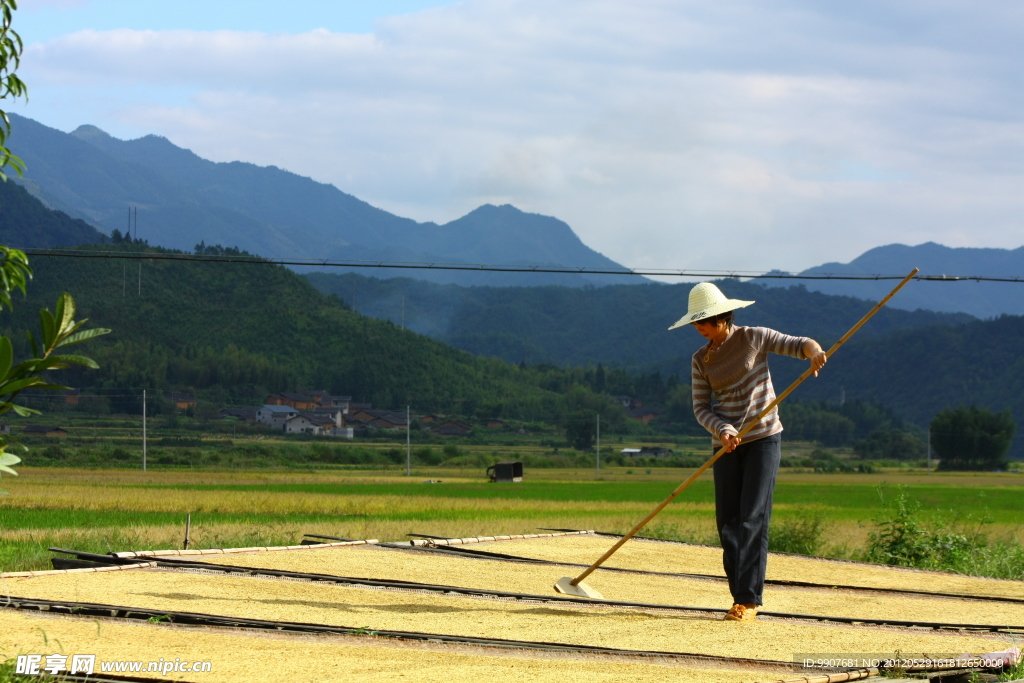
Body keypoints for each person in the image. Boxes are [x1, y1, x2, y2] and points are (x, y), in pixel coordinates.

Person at [669, 282, 826, 622]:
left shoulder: (753, 337)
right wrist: (723, 429)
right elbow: (701, 408)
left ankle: (748, 600)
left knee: (752, 515)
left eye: (704, 322)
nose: (699, 329)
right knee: (727, 521)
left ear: (722, 317)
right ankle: (738, 595)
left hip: (763, 437)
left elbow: (799, 344)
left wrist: (815, 352)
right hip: (726, 443)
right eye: (696, 323)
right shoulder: (700, 359)